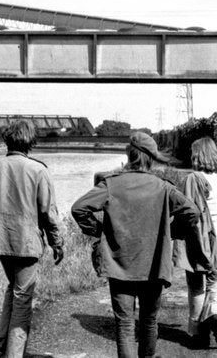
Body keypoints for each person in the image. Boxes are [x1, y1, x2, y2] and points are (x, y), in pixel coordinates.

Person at [71, 131, 201, 358]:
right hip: (153, 264)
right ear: (151, 158)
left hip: (119, 264)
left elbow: (78, 208)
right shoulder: (163, 187)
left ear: (129, 154)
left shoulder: (112, 184)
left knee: (125, 325)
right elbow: (192, 212)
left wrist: (100, 231)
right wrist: (172, 232)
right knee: (149, 322)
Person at [0, 120, 64, 358]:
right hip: (27, 243)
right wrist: (57, 242)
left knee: (13, 287)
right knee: (23, 297)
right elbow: (48, 214)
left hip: (0, 241)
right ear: (31, 142)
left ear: (7, 140)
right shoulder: (39, 170)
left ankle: (3, 342)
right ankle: (13, 355)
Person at [175, 136, 217, 348]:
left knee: (196, 287)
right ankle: (216, 313)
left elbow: (183, 212)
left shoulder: (191, 179)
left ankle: (198, 334)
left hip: (198, 241)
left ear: (197, 155)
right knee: (216, 282)